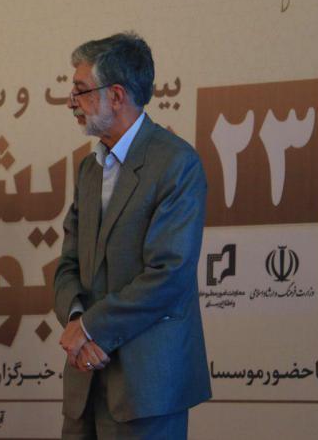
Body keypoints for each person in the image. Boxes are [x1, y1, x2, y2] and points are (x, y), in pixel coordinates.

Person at [53, 32, 211, 439]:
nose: (71, 101)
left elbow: (169, 274)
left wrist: (91, 328)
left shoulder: (176, 163)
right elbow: (68, 264)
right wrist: (76, 322)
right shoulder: (89, 169)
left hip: (147, 387)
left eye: (81, 90)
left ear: (116, 96)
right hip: (84, 378)